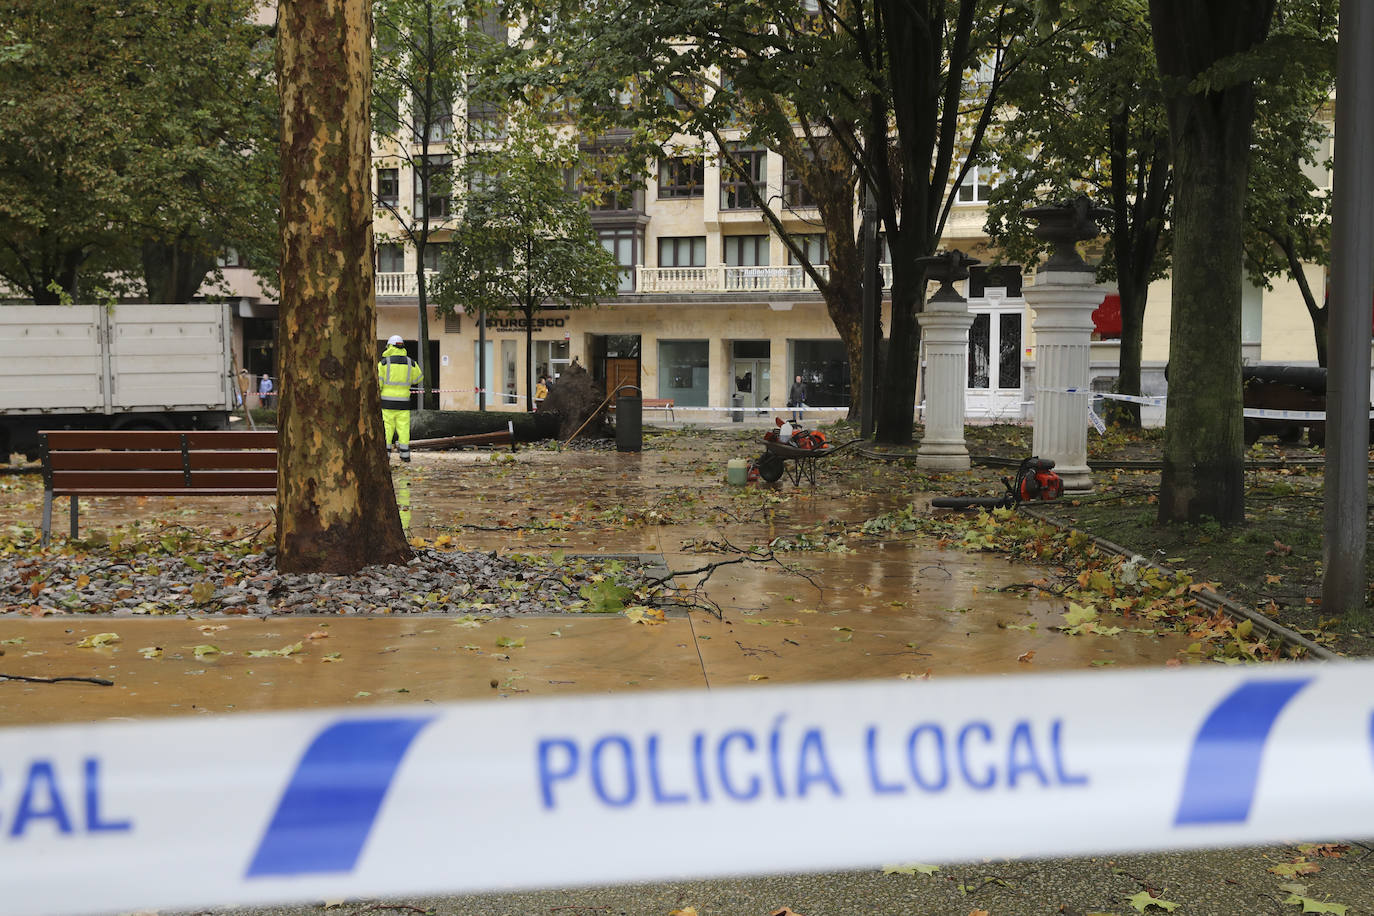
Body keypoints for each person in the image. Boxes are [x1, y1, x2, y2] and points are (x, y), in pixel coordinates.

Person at [378, 334, 423, 462]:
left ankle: (385, 456)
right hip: (404, 403)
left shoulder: (383, 364)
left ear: (389, 347)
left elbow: (378, 384)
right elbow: (418, 378)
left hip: (387, 403)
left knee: (387, 428)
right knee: (403, 429)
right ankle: (405, 455)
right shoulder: (411, 363)